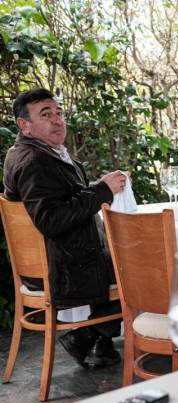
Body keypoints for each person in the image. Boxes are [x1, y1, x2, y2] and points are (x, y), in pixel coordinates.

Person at [3, 88, 127, 368]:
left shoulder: (34, 153)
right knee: (138, 261)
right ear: (25, 125)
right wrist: (101, 191)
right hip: (61, 268)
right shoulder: (35, 161)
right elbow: (50, 219)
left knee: (124, 255)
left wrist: (97, 189)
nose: (57, 120)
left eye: (59, 113)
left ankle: (93, 340)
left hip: (59, 261)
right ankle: (94, 336)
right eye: (45, 114)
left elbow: (59, 200)